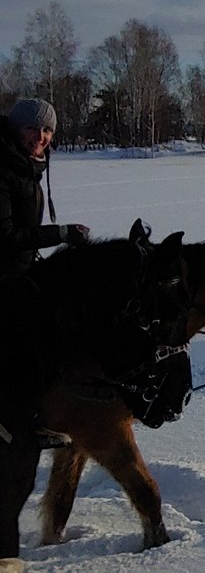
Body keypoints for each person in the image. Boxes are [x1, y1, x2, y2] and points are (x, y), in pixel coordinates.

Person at [0, 98, 90, 449]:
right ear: (15, 128)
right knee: (30, 335)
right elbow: (5, 237)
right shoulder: (5, 169)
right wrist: (61, 234)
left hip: (17, 268)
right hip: (4, 273)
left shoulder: (25, 166)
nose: (41, 136)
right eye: (32, 128)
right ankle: (20, 417)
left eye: (48, 129)